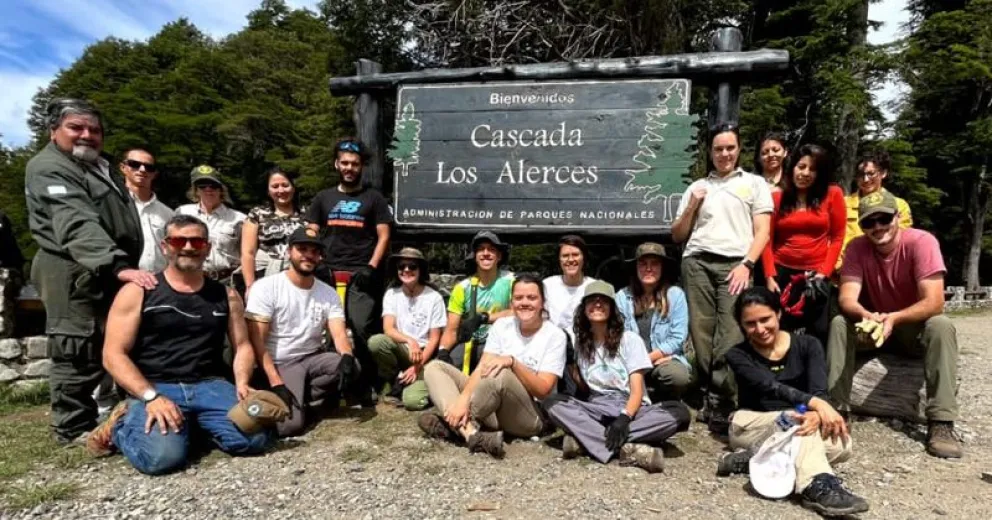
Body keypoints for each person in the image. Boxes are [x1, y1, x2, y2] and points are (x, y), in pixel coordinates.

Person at [86, 214, 273, 474]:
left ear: (207, 248)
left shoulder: (226, 295)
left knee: (254, 439)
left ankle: (189, 426)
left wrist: (242, 382)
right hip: (155, 385)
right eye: (178, 241)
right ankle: (121, 425)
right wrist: (151, 397)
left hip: (209, 384)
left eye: (196, 242)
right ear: (165, 246)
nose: (187, 247)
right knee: (163, 459)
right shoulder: (138, 292)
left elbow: (242, 346)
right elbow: (113, 354)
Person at [24, 98, 155, 444]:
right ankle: (71, 428)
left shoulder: (100, 166)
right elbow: (75, 222)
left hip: (105, 266)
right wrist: (117, 265)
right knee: (76, 344)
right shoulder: (49, 167)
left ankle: (107, 412)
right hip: (72, 267)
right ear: (53, 131)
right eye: (76, 128)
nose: (87, 135)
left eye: (94, 130)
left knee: (111, 338)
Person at [827, 190, 962, 459]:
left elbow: (934, 301)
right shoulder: (856, 248)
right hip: (875, 324)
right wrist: (866, 314)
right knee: (840, 323)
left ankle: (941, 422)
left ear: (898, 217)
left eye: (883, 219)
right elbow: (847, 298)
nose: (877, 227)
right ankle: (837, 411)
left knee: (941, 325)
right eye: (869, 222)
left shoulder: (922, 242)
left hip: (911, 327)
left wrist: (895, 318)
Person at [720, 287, 867, 517]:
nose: (759, 329)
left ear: (778, 313)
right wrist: (816, 406)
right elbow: (771, 386)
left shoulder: (808, 345)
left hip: (799, 421)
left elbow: (819, 390)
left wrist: (817, 413)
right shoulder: (738, 355)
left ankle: (754, 458)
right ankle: (818, 485)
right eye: (750, 323)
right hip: (752, 424)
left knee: (842, 445)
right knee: (798, 423)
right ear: (741, 325)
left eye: (765, 319)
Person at [671, 123, 773, 433]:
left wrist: (747, 264)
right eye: (718, 149)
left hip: (736, 263)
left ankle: (723, 395)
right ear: (710, 152)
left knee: (731, 332)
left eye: (730, 148)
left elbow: (763, 231)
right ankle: (707, 395)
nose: (724, 154)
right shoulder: (698, 186)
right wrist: (692, 205)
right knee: (701, 332)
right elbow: (678, 235)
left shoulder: (754, 184)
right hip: (697, 261)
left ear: (739, 149)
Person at [544, 281, 690, 473]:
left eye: (603, 301)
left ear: (613, 308)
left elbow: (637, 390)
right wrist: (571, 363)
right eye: (592, 301)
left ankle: (587, 441)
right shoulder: (580, 344)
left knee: (679, 414)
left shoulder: (630, 340)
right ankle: (629, 449)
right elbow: (586, 388)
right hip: (597, 407)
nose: (597, 304)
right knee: (553, 403)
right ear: (584, 308)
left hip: (630, 407)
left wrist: (624, 418)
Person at [419, 274, 566, 458]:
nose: (524, 303)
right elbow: (482, 367)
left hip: (530, 415)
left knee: (501, 372)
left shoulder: (555, 335)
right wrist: (463, 400)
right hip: (492, 404)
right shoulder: (502, 326)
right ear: (511, 303)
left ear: (543, 302)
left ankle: (453, 424)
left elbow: (543, 390)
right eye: (519, 298)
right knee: (435, 367)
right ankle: (471, 434)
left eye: (532, 297)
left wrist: (513, 362)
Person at [245, 227, 358, 437]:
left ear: (320, 257)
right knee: (290, 427)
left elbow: (339, 333)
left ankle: (300, 398)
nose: (308, 255)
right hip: (280, 362)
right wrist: (276, 382)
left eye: (314, 251)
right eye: (302, 249)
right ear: (289, 252)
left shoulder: (328, 292)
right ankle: (278, 393)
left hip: (311, 357)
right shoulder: (266, 287)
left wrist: (347, 355)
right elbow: (257, 341)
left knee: (349, 366)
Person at [306, 138, 392, 402]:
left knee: (361, 326)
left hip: (360, 273)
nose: (349, 167)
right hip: (328, 272)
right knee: (330, 329)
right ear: (336, 164)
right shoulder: (323, 198)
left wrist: (371, 267)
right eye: (344, 162)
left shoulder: (373, 198)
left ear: (361, 167)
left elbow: (384, 235)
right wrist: (316, 262)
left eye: (354, 164)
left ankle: (366, 382)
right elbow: (311, 231)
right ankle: (333, 382)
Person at [760, 144, 845, 345]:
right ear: (792, 168)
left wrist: (825, 272)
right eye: (801, 166)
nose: (805, 173)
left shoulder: (832, 194)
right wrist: (770, 276)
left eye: (812, 169)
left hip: (816, 275)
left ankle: (814, 372)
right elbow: (766, 239)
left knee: (818, 330)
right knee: (781, 329)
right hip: (782, 273)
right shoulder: (777, 198)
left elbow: (838, 237)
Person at [368, 247, 446, 410]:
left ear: (421, 270)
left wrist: (416, 367)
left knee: (412, 402)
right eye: (401, 266)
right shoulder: (392, 294)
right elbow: (388, 329)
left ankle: (420, 382)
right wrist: (410, 341)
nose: (406, 270)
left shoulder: (434, 297)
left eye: (412, 266)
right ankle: (393, 380)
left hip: (425, 355)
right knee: (376, 342)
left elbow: (434, 338)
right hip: (405, 349)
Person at [615, 243, 690, 401]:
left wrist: (647, 359)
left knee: (677, 377)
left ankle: (664, 398)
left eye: (654, 264)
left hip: (660, 360)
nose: (648, 268)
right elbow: (615, 334)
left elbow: (677, 338)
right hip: (628, 362)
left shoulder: (675, 295)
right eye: (643, 264)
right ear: (635, 268)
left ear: (663, 268)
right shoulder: (622, 297)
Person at [435, 231, 515, 372]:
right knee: (439, 369)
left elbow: (518, 312)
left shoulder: (511, 281)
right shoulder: (462, 288)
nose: (486, 253)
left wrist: (484, 318)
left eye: (491, 249)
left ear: (499, 256)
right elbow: (451, 329)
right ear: (475, 256)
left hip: (503, 344)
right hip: (470, 344)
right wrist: (443, 351)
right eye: (481, 249)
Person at [837, 149, 913, 270]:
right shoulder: (842, 204)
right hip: (845, 272)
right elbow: (832, 239)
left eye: (871, 174)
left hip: (883, 273)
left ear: (883, 173)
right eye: (861, 175)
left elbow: (902, 242)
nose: (866, 179)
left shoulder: (899, 205)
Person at [241, 167, 306, 296]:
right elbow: (248, 253)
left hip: (300, 277)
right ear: (268, 191)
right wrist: (250, 285)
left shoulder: (307, 213)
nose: (281, 190)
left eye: (285, 185)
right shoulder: (257, 214)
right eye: (275, 186)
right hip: (265, 276)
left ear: (293, 187)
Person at [176, 165, 246, 284]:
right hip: (188, 279)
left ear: (221, 189)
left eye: (213, 185)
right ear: (196, 190)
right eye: (202, 186)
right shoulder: (181, 213)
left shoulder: (240, 219)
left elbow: (247, 254)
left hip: (227, 281)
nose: (208, 189)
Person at [120, 149, 173, 273]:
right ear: (123, 167)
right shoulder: (113, 206)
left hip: (158, 282)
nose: (142, 170)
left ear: (154, 174)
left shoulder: (168, 213)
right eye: (134, 164)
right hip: (122, 280)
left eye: (149, 167)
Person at [542, 235, 597, 330]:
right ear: (559, 259)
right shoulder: (547, 285)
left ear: (584, 258)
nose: (571, 260)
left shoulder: (595, 286)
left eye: (575, 255)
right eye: (565, 256)